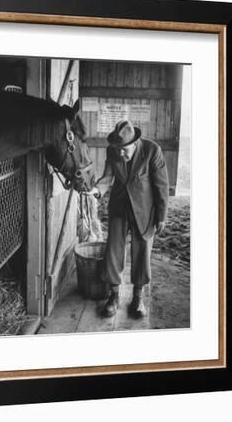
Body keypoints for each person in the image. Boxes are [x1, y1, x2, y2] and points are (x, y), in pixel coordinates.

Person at [85, 120, 169, 318]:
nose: (120, 153)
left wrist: (161, 216)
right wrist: (96, 190)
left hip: (145, 209)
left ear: (135, 143)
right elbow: (107, 177)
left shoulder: (152, 151)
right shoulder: (113, 151)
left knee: (141, 253)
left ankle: (138, 298)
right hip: (119, 207)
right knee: (113, 251)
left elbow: (162, 186)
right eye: (117, 150)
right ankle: (114, 296)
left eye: (124, 150)